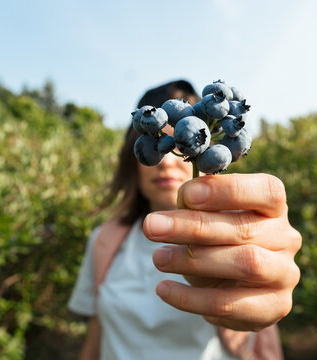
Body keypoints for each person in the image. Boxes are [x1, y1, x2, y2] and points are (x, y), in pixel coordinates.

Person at [68, 80, 302, 360]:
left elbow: (256, 326)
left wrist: (263, 280)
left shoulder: (235, 239)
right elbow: (99, 331)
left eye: (180, 138)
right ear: (134, 159)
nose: (167, 161)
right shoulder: (104, 241)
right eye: (160, 142)